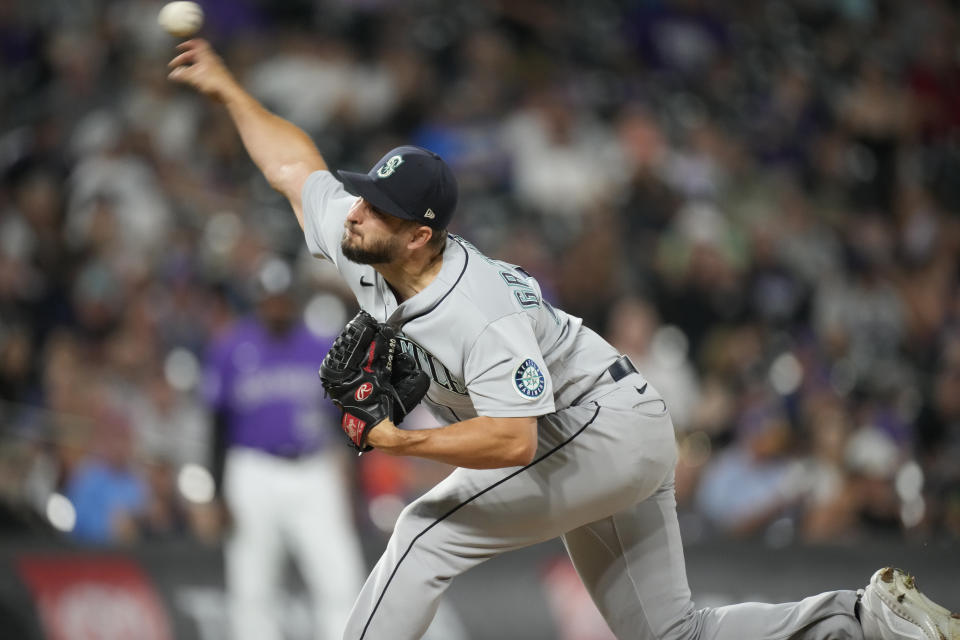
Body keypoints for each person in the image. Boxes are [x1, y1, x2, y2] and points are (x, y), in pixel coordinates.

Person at [170, 39, 958, 640]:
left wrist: (397, 443)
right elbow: (291, 166)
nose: (356, 211)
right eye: (362, 197)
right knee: (671, 633)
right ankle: (863, 621)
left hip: (592, 430)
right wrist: (227, 87)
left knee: (424, 530)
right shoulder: (364, 241)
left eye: (376, 206)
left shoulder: (472, 304)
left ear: (419, 235)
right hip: (607, 427)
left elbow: (513, 440)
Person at [201, 256, 366, 640]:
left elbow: (345, 420)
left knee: (340, 580)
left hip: (313, 470)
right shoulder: (231, 347)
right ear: (258, 299)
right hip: (252, 470)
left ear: (295, 298)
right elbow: (217, 425)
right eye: (270, 297)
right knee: (252, 589)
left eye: (283, 296)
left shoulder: (320, 346)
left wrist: (351, 479)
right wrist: (216, 491)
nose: (277, 304)